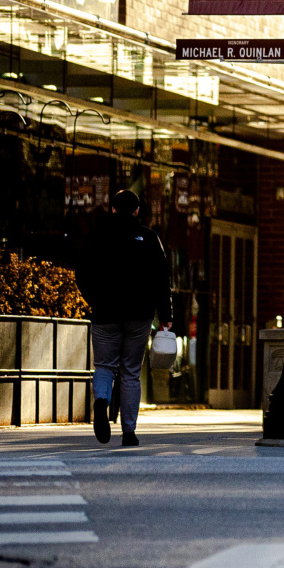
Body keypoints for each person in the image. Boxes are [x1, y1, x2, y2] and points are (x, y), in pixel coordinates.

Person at [79, 189, 171, 448]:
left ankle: (101, 401)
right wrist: (165, 315)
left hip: (105, 314)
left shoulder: (96, 236)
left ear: (113, 209)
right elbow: (162, 278)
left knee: (104, 366)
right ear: (137, 211)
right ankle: (129, 432)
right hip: (139, 315)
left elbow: (82, 273)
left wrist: (94, 300)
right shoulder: (149, 238)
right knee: (131, 372)